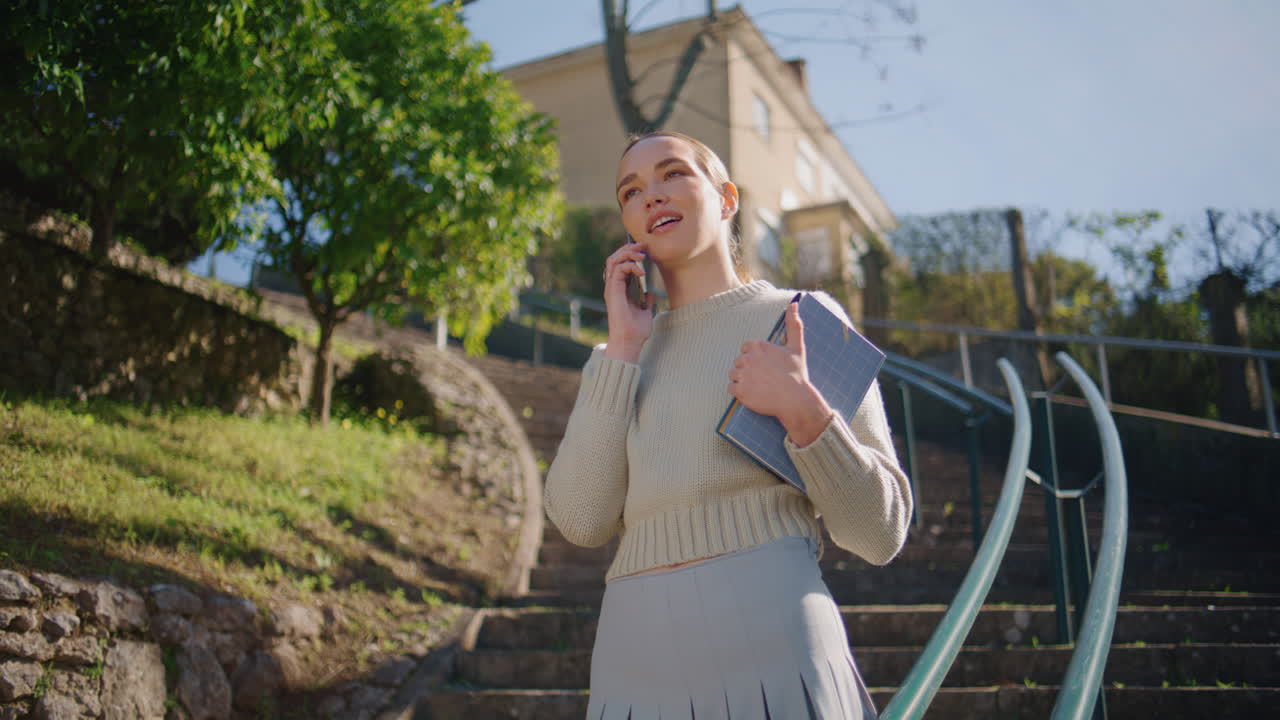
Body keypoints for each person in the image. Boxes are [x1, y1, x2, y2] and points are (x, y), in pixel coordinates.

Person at [544, 130, 912, 720]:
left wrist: (806, 413)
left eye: (673, 174)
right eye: (631, 190)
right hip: (633, 659)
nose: (651, 196)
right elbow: (583, 520)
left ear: (726, 198)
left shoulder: (800, 319)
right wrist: (624, 348)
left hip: (778, 640)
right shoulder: (615, 358)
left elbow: (880, 531)